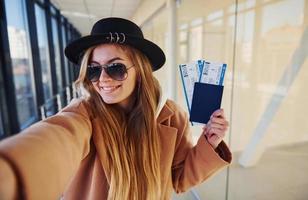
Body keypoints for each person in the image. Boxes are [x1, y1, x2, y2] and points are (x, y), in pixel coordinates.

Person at [0, 17, 231, 200]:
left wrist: (209, 142)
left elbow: (179, 179)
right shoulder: (82, 114)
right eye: (93, 69)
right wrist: (10, 173)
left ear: (140, 70)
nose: (102, 79)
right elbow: (57, 137)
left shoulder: (172, 116)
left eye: (115, 68)